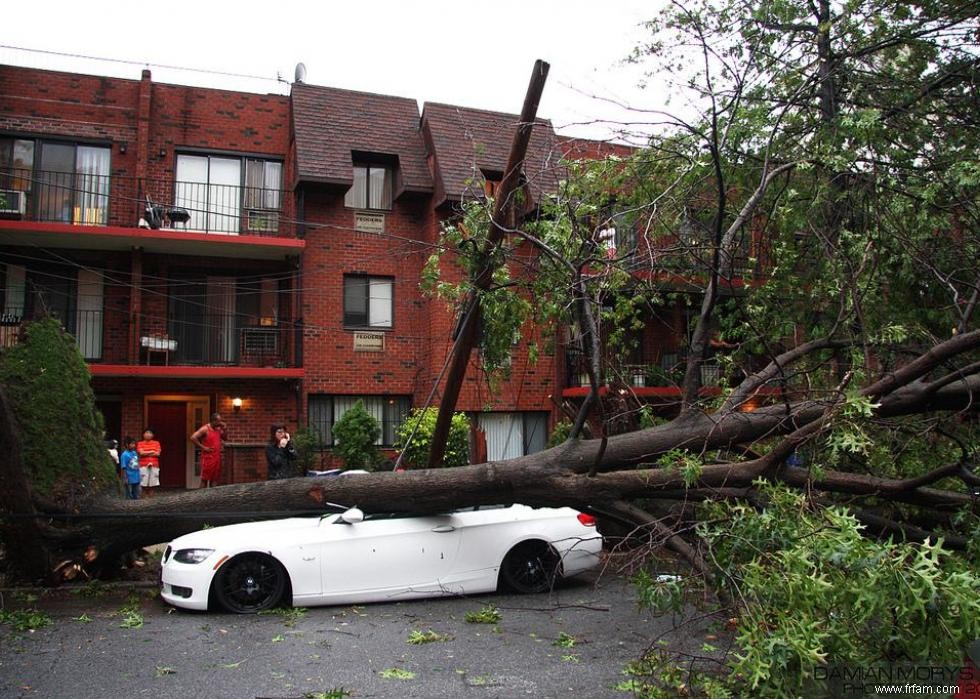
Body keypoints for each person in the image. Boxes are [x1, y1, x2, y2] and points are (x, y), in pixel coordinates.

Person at [190, 413, 226, 488]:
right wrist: (203, 447)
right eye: (219, 421)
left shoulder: (218, 429)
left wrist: (225, 429)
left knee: (214, 480)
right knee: (204, 480)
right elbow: (193, 437)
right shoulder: (205, 429)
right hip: (207, 458)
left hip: (216, 457)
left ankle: (212, 498)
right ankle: (201, 498)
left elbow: (225, 438)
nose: (220, 423)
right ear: (213, 421)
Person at [136, 428, 162, 498]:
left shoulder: (156, 443)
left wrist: (146, 452)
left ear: (153, 435)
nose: (148, 434)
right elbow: (141, 453)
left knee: (153, 484)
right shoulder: (140, 443)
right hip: (143, 465)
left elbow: (158, 454)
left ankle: (151, 501)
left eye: (150, 433)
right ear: (143, 434)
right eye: (146, 433)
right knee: (143, 484)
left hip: (154, 465)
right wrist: (152, 451)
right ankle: (143, 501)